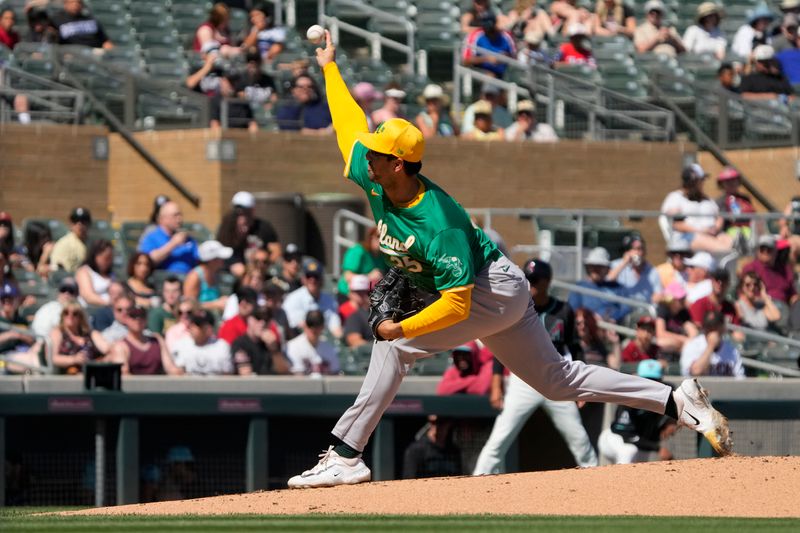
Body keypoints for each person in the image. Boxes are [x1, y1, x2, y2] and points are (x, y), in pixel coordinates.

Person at [287, 31, 731, 488]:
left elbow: (458, 305)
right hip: (501, 286)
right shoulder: (375, 170)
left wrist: (401, 328)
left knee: (394, 348)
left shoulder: (440, 223)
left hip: (489, 289)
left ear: (398, 164)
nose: (367, 154)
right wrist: (330, 68)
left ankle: (346, 454)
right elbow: (348, 125)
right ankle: (678, 401)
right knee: (558, 381)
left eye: (378, 152)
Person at [473, 258, 597, 474]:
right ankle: (477, 480)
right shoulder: (515, 308)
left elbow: (575, 348)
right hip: (522, 380)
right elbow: (500, 348)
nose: (531, 285)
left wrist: (582, 386)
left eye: (536, 280)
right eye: (528, 279)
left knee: (578, 437)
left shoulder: (563, 309)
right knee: (500, 437)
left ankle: (599, 479)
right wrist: (496, 383)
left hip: (556, 377)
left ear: (548, 282)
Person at [598, 360, 678, 465]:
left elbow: (680, 403)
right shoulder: (629, 397)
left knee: (641, 468)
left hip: (641, 442)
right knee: (629, 451)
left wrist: (672, 420)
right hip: (615, 439)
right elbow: (627, 435)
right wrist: (658, 448)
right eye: (647, 380)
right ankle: (619, 479)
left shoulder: (665, 392)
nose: (651, 384)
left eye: (654, 380)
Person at [660, 163, 734, 254]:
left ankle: (736, 246)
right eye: (701, 180)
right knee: (723, 249)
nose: (703, 183)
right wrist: (702, 231)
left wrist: (716, 228)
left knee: (729, 241)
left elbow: (719, 216)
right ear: (692, 182)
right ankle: (727, 251)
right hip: (688, 238)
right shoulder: (675, 198)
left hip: (711, 234)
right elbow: (677, 224)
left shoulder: (706, 199)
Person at [217, 190, 281, 278]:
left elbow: (276, 252)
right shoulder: (227, 226)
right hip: (234, 271)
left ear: (252, 210)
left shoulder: (263, 227)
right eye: (237, 210)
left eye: (246, 211)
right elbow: (220, 248)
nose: (242, 214)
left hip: (259, 274)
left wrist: (264, 263)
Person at [109, 306, 181, 375]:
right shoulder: (121, 346)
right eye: (133, 316)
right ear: (126, 319)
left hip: (158, 386)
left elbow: (170, 368)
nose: (138, 320)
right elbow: (123, 374)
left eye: (142, 316)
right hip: (133, 387)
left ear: (146, 319)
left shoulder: (157, 341)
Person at [567, 247, 630, 323]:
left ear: (607, 269)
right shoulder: (579, 287)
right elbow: (573, 310)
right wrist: (592, 318)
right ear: (587, 268)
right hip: (587, 328)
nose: (596, 269)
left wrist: (613, 318)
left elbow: (626, 308)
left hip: (613, 328)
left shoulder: (618, 288)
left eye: (600, 266)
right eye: (593, 266)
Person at [282, 258, 342, 338]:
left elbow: (335, 328)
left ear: (322, 279)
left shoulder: (330, 300)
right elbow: (294, 327)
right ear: (303, 279)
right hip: (300, 341)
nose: (312, 280)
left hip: (325, 343)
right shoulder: (292, 299)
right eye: (309, 276)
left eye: (316, 276)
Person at [138, 201, 200, 274]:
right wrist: (173, 244)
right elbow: (148, 261)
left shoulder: (187, 239)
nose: (179, 219)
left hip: (188, 280)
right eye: (175, 215)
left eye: (180, 215)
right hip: (163, 281)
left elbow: (198, 262)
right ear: (163, 219)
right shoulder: (152, 237)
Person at [680, 310, 745, 378]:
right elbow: (695, 372)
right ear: (703, 328)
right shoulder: (692, 346)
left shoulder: (732, 350)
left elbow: (740, 378)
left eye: (716, 328)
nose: (713, 333)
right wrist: (710, 346)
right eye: (709, 328)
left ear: (723, 328)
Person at [49, 302, 110, 374]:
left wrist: (98, 362)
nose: (70, 316)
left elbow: (108, 350)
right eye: (66, 312)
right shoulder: (58, 332)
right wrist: (74, 359)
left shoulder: (91, 334)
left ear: (80, 317)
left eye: (75, 313)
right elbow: (54, 358)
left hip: (92, 372)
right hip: (69, 375)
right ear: (62, 315)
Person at [740, 234, 797, 307]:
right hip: (761, 308)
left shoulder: (785, 270)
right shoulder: (751, 269)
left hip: (785, 310)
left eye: (769, 249)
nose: (765, 251)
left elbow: (793, 294)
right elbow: (744, 294)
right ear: (757, 251)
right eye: (762, 249)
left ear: (775, 251)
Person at [231, 307, 289, 375]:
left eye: (266, 319)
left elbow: (283, 372)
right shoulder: (240, 343)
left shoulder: (272, 342)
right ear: (249, 319)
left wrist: (274, 350)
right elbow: (245, 374)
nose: (262, 323)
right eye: (258, 318)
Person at [172, 310, 232, 375]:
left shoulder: (222, 346)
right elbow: (178, 374)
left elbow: (227, 375)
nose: (193, 327)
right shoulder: (181, 345)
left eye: (198, 325)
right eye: (192, 324)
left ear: (208, 328)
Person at [606, 235, 662, 304]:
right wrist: (624, 263)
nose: (638, 253)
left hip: (643, 309)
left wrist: (651, 306)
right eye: (635, 249)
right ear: (627, 252)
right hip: (622, 307)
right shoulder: (617, 264)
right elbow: (608, 279)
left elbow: (657, 293)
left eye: (640, 249)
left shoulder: (652, 271)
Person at [462, 11, 517, 79]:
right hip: (481, 72)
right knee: (490, 79)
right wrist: (486, 58)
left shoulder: (506, 36)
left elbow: (515, 58)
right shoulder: (475, 35)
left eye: (489, 22)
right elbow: (466, 61)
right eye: (484, 22)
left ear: (495, 22)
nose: (487, 26)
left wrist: (504, 56)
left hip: (504, 73)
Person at [286, 310, 339, 375]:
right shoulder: (293, 346)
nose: (313, 329)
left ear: (323, 327)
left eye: (317, 325)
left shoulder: (329, 348)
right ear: (304, 325)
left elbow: (336, 375)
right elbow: (297, 378)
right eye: (310, 324)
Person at [337, 226, 385, 297]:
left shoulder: (383, 256)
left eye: (384, 238)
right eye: (378, 236)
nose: (381, 240)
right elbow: (348, 277)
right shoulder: (358, 251)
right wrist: (369, 277)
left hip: (368, 296)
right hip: (349, 295)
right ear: (370, 237)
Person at [183, 240, 231, 312]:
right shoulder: (194, 277)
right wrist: (215, 304)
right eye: (220, 258)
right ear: (212, 260)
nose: (223, 260)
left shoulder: (215, 274)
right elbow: (188, 306)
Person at [655, 281, 698, 356]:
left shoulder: (683, 312)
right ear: (670, 299)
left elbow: (693, 332)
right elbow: (660, 333)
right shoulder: (663, 309)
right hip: (668, 345)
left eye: (683, 298)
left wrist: (690, 340)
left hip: (683, 345)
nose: (683, 301)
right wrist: (683, 339)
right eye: (680, 299)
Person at [714, 167, 755, 241]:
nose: (731, 184)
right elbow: (719, 223)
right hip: (729, 236)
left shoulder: (745, 199)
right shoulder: (720, 201)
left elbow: (754, 218)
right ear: (722, 184)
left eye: (733, 180)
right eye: (727, 181)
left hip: (750, 233)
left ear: (738, 181)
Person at [50, 207, 91, 273]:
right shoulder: (63, 244)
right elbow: (57, 271)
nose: (79, 224)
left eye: (84, 220)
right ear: (71, 223)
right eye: (75, 220)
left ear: (89, 223)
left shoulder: (94, 243)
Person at [75, 239, 115, 307]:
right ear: (96, 256)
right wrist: (111, 303)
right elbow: (88, 296)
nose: (109, 261)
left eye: (111, 258)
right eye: (106, 258)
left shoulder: (112, 275)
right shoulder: (84, 271)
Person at [340, 275, 371, 340]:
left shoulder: (369, 310)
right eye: (357, 291)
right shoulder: (342, 309)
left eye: (364, 291)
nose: (361, 294)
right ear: (350, 292)